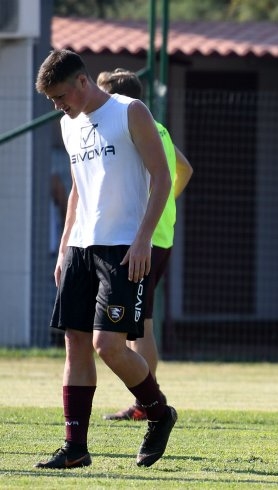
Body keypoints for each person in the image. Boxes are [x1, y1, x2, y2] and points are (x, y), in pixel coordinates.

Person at [34, 49, 177, 469]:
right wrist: (64, 246)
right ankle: (75, 447)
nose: (59, 106)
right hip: (81, 246)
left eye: (61, 96)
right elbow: (79, 189)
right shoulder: (67, 123)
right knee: (74, 342)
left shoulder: (130, 111)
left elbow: (163, 177)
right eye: (53, 101)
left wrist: (143, 241)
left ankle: (158, 412)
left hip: (123, 247)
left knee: (108, 345)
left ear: (82, 82)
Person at [95, 69, 193, 422]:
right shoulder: (160, 128)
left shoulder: (131, 126)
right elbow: (184, 168)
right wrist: (166, 203)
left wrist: (152, 206)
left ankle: (146, 402)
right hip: (159, 233)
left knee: (144, 324)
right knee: (142, 322)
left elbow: (161, 174)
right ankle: (146, 399)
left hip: (145, 236)